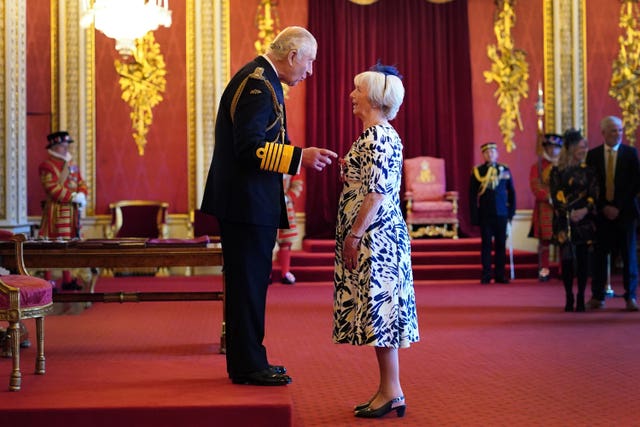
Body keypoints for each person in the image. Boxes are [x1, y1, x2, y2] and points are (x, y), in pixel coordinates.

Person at [200, 26, 337, 386]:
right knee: (247, 284)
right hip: (245, 204)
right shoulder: (259, 85)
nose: (310, 71)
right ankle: (247, 366)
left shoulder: (264, 81)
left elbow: (269, 138)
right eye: (309, 62)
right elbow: (250, 148)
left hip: (250, 202)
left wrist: (299, 155)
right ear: (292, 56)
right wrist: (299, 157)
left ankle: (250, 359)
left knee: (253, 282)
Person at [334, 63, 419, 419]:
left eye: (357, 91)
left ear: (371, 97)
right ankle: (389, 389)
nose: (352, 96)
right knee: (378, 314)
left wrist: (354, 235)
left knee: (381, 313)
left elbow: (377, 193)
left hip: (376, 238)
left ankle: (392, 391)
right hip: (377, 236)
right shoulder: (377, 135)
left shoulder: (378, 136)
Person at [586, 116, 640, 311]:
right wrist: (603, 207)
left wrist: (617, 206)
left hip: (625, 213)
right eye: (613, 131)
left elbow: (635, 184)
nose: (618, 134)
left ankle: (630, 297)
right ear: (604, 133)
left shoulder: (631, 153)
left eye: (620, 130)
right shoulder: (593, 155)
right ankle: (598, 296)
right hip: (602, 214)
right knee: (600, 256)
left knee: (629, 256)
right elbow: (591, 185)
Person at [549, 129, 598, 312]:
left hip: (585, 221)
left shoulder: (589, 171)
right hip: (564, 221)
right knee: (568, 260)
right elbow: (556, 196)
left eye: (586, 146)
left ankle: (581, 297)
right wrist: (570, 213)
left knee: (584, 261)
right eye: (581, 146)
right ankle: (569, 296)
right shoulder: (557, 171)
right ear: (570, 148)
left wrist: (584, 210)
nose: (585, 149)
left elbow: (594, 195)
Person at [38, 131, 88, 290]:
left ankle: (67, 279)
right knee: (51, 247)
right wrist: (72, 196)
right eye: (62, 146)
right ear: (54, 147)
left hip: (72, 213)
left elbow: (81, 182)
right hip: (56, 211)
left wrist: (82, 194)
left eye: (67, 145)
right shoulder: (47, 166)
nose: (65, 149)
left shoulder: (72, 165)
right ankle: (48, 282)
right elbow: (52, 188)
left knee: (68, 246)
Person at [469, 142, 516, 284]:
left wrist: (511, 213)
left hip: (502, 213)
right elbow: (472, 195)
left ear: (497, 154)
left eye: (492, 152)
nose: (490, 154)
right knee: (486, 245)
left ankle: (500, 275)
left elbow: (511, 192)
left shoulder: (505, 169)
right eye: (487, 152)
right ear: (483, 155)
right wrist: (474, 216)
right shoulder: (478, 171)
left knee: (501, 244)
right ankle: (486, 274)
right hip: (485, 214)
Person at [529, 133, 563, 281]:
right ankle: (544, 271)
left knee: (563, 239)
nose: (553, 150)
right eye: (550, 147)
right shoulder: (537, 166)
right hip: (545, 207)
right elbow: (535, 186)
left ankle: (564, 270)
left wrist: (561, 199)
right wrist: (549, 197)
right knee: (545, 242)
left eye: (556, 147)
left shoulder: (565, 165)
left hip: (562, 207)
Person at [277, 174, 303, 284]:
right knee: (265, 242)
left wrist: (287, 197)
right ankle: (266, 273)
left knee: (286, 243)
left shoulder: (291, 164)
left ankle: (285, 272)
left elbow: (297, 184)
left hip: (286, 207)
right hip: (266, 204)